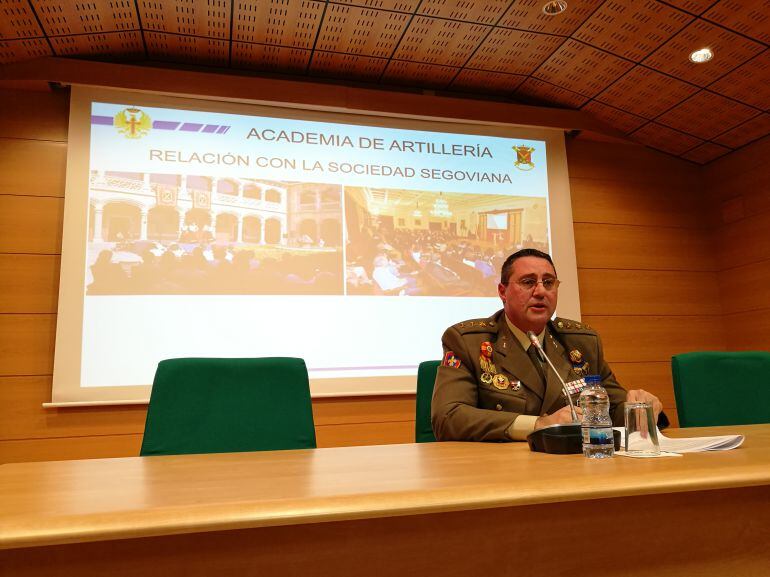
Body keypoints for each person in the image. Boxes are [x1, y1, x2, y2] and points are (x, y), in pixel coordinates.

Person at [431, 248, 663, 442]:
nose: (541, 291)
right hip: (501, 472)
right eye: (528, 282)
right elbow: (448, 417)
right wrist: (540, 424)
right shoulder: (469, 341)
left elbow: (612, 410)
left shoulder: (581, 342)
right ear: (503, 291)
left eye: (549, 283)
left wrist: (640, 409)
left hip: (574, 467)